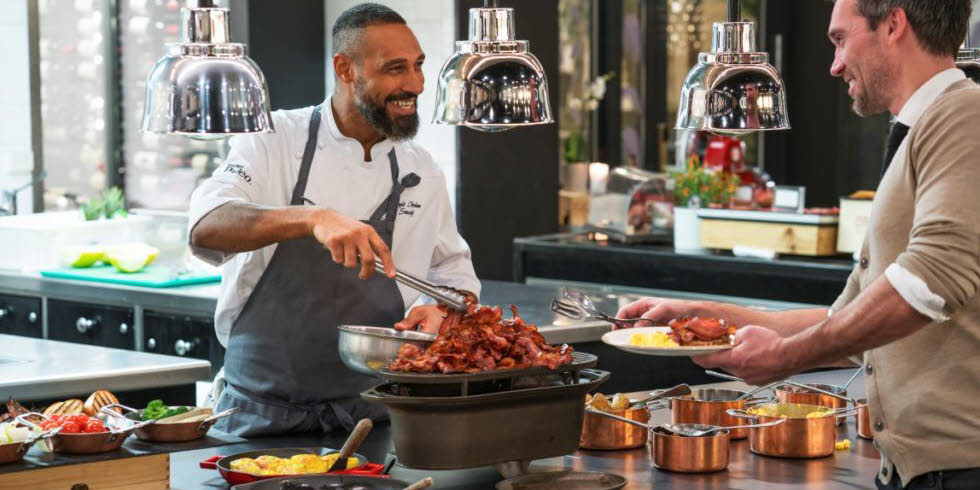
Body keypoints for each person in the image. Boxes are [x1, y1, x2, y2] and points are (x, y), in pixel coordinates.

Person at [617, 1, 980, 488]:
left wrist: (787, 358)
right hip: (921, 470)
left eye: (839, 40)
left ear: (894, 24)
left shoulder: (963, 114)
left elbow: (931, 281)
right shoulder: (922, 129)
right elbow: (844, 323)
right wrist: (703, 320)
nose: (834, 65)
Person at [187, 3, 480, 437]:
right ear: (345, 68)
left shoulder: (421, 167)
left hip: (371, 417)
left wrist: (436, 306)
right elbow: (207, 226)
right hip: (256, 417)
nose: (415, 84)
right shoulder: (273, 137)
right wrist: (313, 219)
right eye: (395, 69)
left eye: (418, 67)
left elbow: (453, 270)